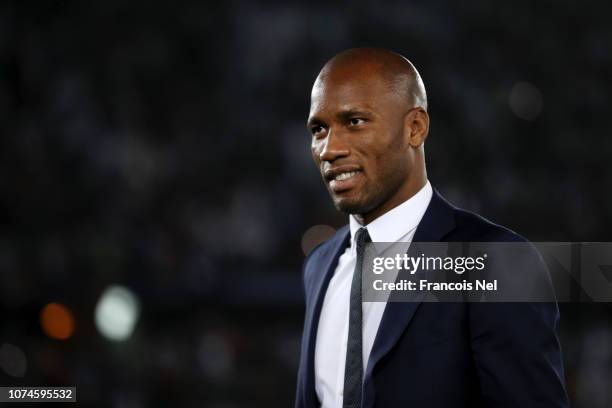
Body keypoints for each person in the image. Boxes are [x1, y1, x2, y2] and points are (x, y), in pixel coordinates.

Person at [294, 48, 568, 408]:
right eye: (319, 129)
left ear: (415, 128)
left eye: (355, 122)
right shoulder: (319, 265)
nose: (330, 148)